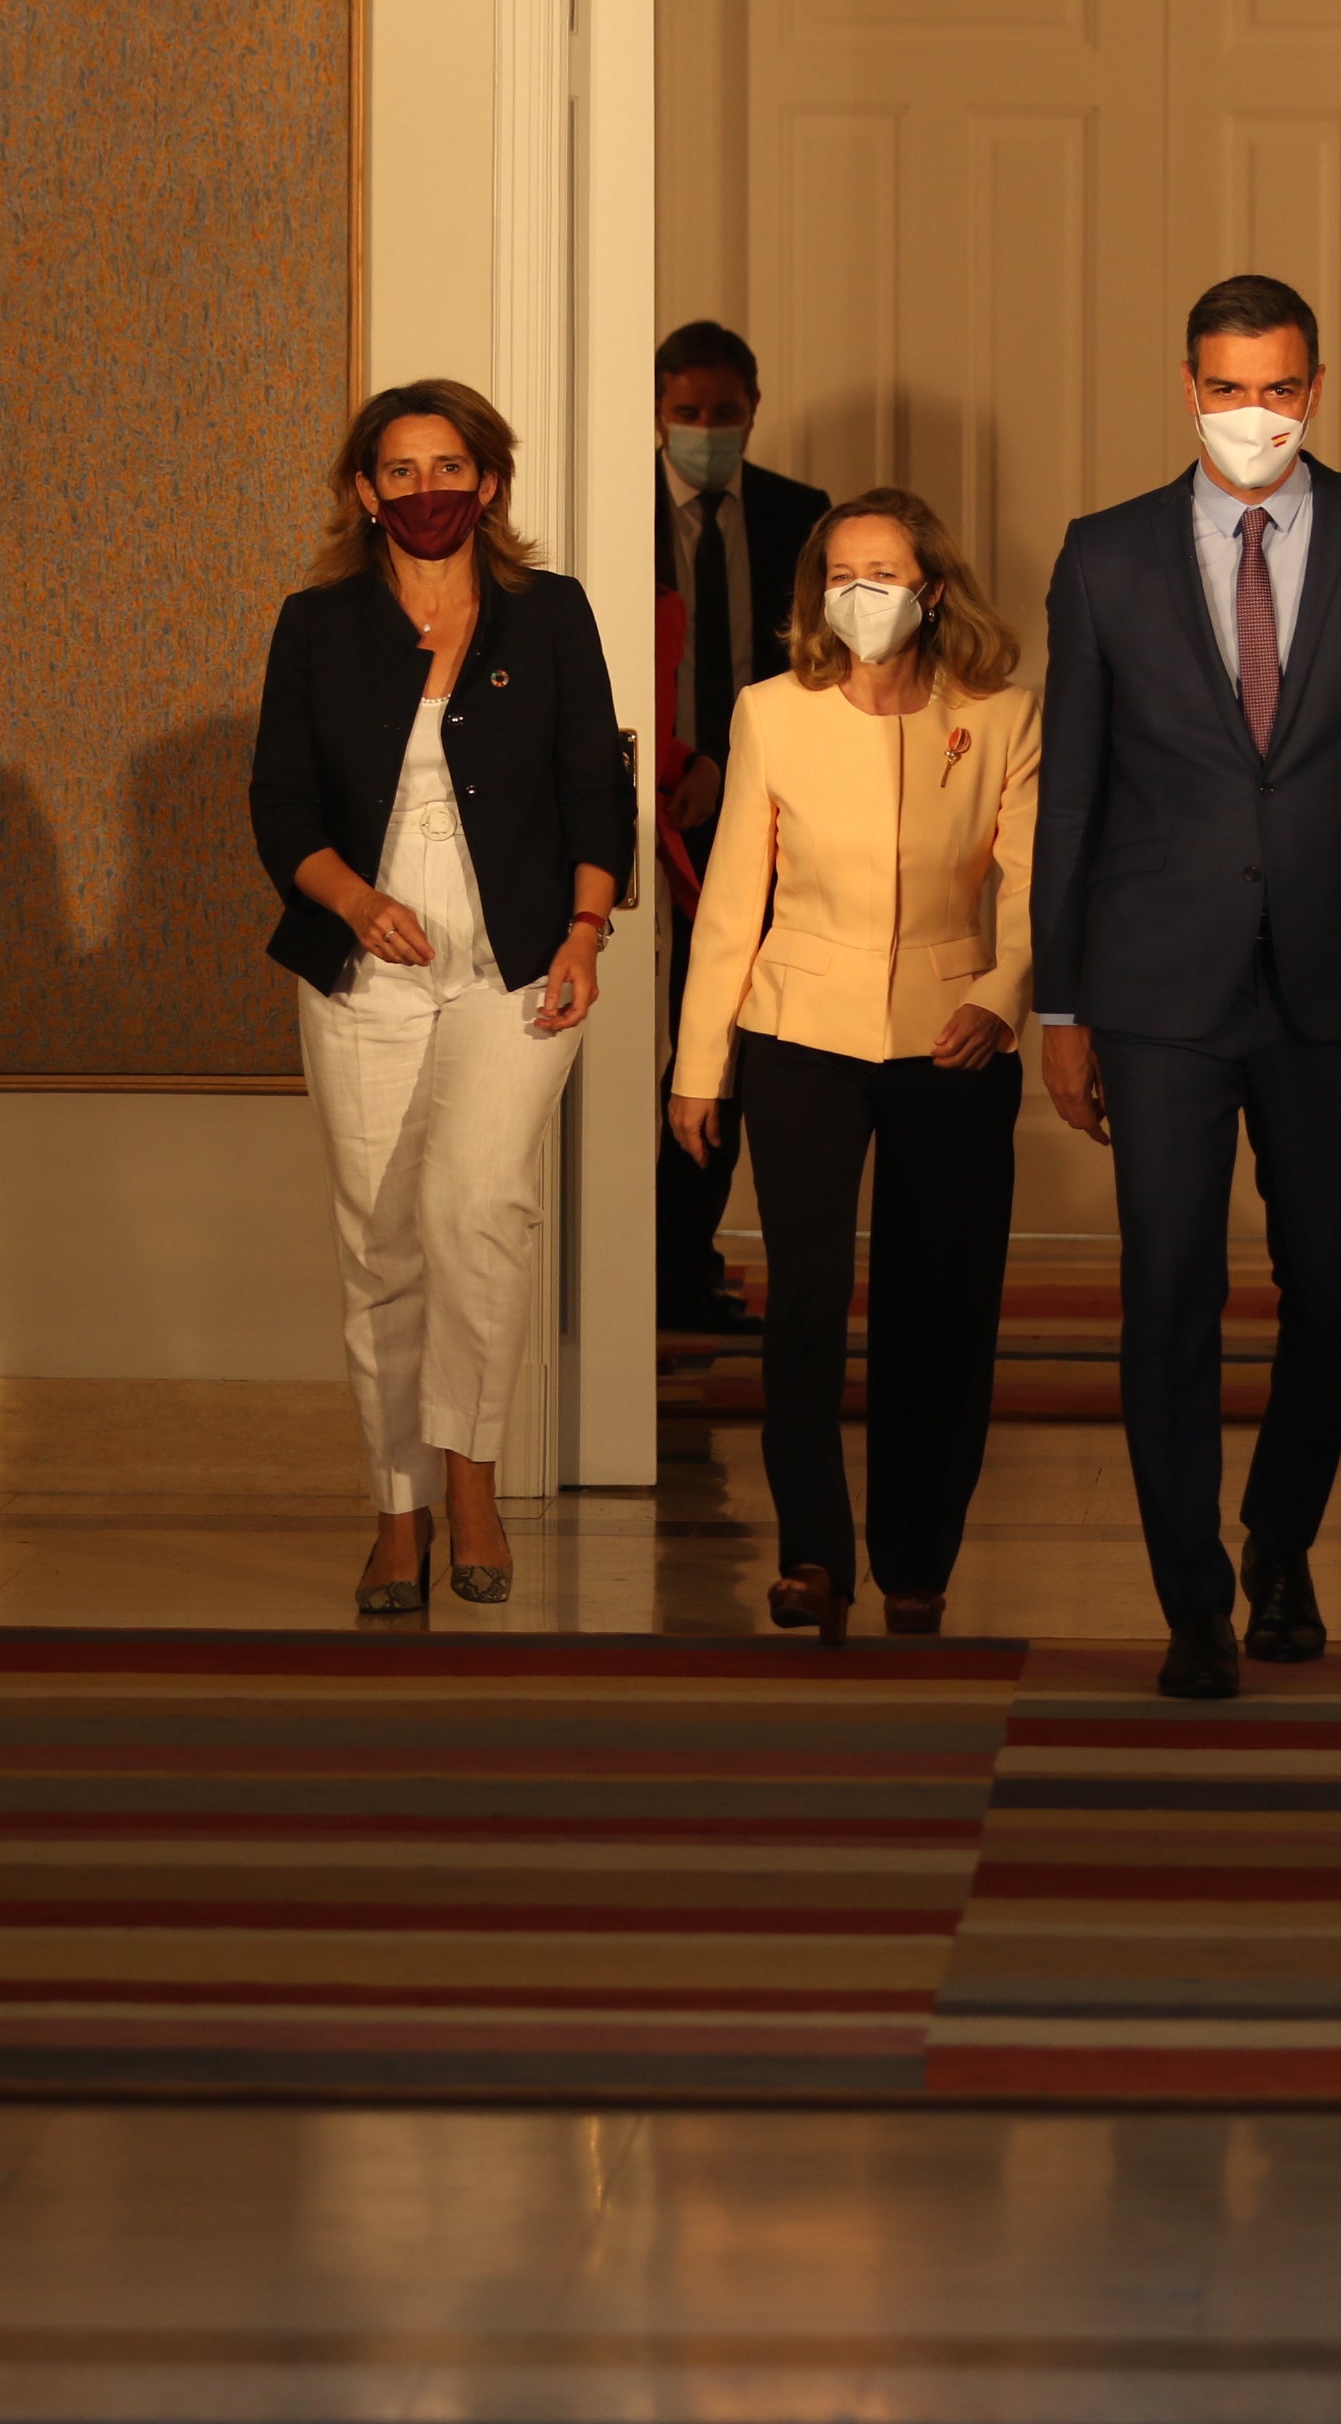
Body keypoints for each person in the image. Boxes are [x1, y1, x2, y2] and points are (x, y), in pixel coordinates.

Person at [1030, 275, 1341, 1700]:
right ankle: (1193, 1604)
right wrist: (1059, 1004)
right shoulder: (1103, 556)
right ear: (1188, 390)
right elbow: (1074, 799)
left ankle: (1280, 1539)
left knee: (1334, 1291)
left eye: (1278, 389)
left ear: (1317, 389)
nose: (1253, 416)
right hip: (1157, 987)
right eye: (1228, 389)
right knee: (1165, 1290)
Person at [250, 380, 631, 1617]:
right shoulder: (316, 624)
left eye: (450, 467)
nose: (428, 492)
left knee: (477, 1206)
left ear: (492, 483)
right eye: (401, 472)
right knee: (380, 1242)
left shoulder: (551, 614)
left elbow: (597, 791)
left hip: (519, 956)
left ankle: (473, 1476)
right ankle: (397, 1511)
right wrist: (355, 903)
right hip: (366, 963)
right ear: (365, 492)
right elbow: (281, 810)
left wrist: (585, 935)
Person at [668, 490, 1037, 1642]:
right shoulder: (772, 711)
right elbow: (732, 898)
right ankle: (813, 1555)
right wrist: (698, 1064)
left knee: (942, 1307)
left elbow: (1035, 885)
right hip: (799, 1034)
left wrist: (1001, 995)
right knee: (808, 1304)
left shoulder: (1003, 715)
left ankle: (918, 1557)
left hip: (953, 1034)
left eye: (883, 571)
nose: (859, 592)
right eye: (841, 573)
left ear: (933, 587)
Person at [652, 321, 832, 1336]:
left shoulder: (800, 515)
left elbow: (812, 658)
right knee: (660, 1035)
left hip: (764, 805)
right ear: (660, 415)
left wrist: (730, 766)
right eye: (689, 414)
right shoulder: (615, 503)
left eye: (725, 414)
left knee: (728, 1030)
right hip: (646, 811)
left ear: (753, 409)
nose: (708, 432)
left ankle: (689, 1259)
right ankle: (658, 1262)